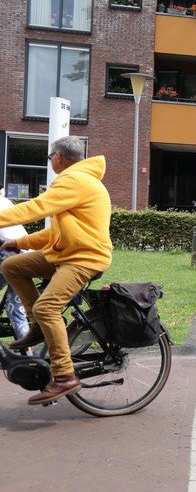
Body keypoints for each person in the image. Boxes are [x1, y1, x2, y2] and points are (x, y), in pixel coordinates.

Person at [0, 136, 113, 405]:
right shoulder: (81, 180)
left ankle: (64, 376)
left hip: (84, 259)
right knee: (12, 266)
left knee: (47, 307)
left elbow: (35, 208)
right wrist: (19, 242)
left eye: (50, 157)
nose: (50, 161)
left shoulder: (74, 180)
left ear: (59, 158)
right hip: (67, 253)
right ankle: (38, 327)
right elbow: (55, 232)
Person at [0, 187, 29, 340]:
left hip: (9, 257)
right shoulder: (6, 201)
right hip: (25, 256)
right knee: (15, 306)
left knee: (15, 305)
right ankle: (27, 348)